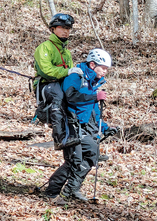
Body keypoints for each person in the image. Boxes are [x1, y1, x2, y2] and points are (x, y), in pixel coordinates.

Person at [44, 48, 119, 203]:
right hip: (69, 125)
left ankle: (71, 190)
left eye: (106, 69)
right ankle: (53, 192)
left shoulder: (92, 82)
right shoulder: (76, 76)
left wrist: (104, 127)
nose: (105, 72)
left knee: (89, 156)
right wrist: (94, 96)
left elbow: (94, 111)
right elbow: (71, 97)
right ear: (92, 64)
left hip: (84, 127)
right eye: (103, 68)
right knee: (74, 161)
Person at [33, 13, 82, 150]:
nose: (66, 31)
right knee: (57, 95)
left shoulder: (66, 52)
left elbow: (70, 72)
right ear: (53, 29)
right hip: (45, 85)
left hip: (61, 85)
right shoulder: (45, 47)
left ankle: (84, 140)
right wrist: (67, 72)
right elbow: (46, 70)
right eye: (62, 28)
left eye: (68, 28)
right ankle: (59, 138)